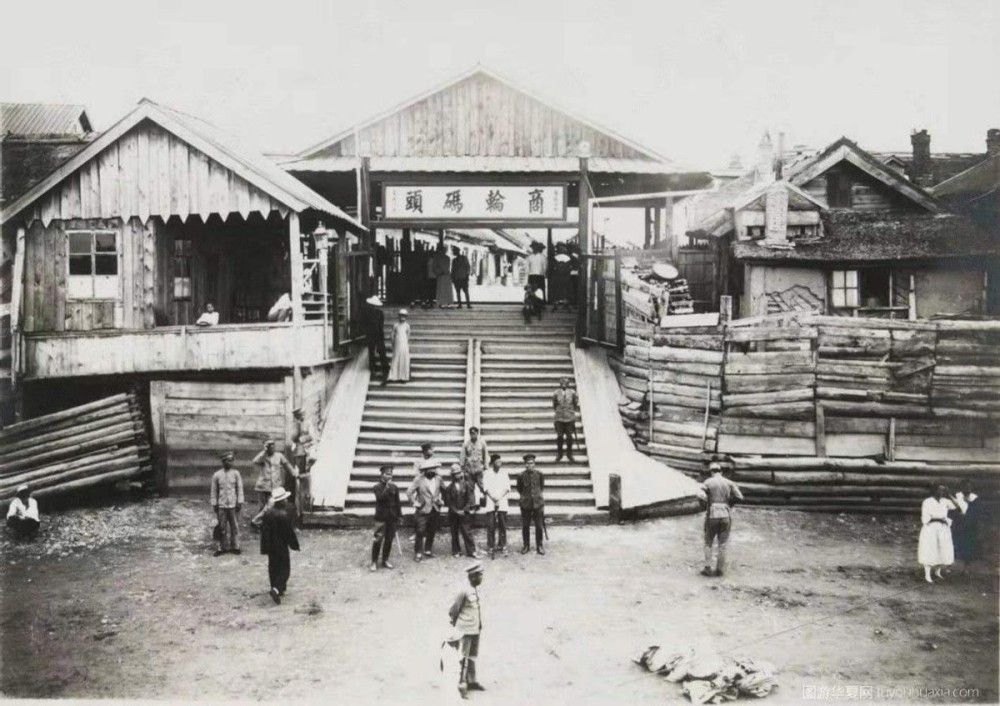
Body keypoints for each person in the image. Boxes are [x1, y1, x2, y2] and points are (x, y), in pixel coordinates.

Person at [696, 458, 744, 577]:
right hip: (725, 514)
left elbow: (700, 494)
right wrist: (729, 504)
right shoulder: (729, 482)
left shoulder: (708, 482)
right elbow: (740, 497)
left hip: (712, 513)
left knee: (708, 542)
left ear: (711, 472)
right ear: (720, 471)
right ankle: (720, 570)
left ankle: (707, 568)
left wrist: (705, 504)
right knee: (722, 544)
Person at [448, 562, 486, 699]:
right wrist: (456, 626)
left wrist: (479, 624)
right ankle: (462, 685)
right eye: (480, 575)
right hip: (465, 630)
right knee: (463, 658)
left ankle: (472, 681)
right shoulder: (463, 590)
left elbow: (476, 608)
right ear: (473, 576)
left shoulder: (474, 588)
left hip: (475, 628)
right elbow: (453, 610)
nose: (482, 578)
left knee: (472, 656)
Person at [260, 487, 300, 604]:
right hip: (281, 546)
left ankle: (275, 587)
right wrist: (294, 545)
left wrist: (265, 547)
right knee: (284, 569)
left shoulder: (267, 514)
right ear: (281, 501)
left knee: (273, 567)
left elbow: (264, 531)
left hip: (271, 546)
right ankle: (277, 589)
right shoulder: (284, 515)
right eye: (285, 499)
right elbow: (289, 533)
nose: (286, 501)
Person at [919, 484, 963, 583]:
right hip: (931, 528)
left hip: (943, 528)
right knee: (930, 549)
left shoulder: (945, 501)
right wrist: (939, 519)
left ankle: (937, 572)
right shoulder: (927, 502)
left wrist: (950, 495)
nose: (941, 493)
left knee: (942, 549)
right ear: (934, 490)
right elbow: (926, 518)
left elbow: (959, 508)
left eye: (943, 491)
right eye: (939, 490)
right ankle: (927, 574)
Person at [251, 440, 297, 529]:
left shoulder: (279, 456)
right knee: (262, 506)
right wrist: (264, 452)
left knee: (270, 506)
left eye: (273, 445)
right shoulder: (263, 456)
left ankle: (256, 521)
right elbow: (255, 461)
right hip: (263, 486)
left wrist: (294, 473)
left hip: (275, 486)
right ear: (266, 447)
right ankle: (262, 525)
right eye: (269, 446)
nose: (272, 447)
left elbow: (287, 465)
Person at [407, 459, 443, 561]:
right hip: (423, 510)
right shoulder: (419, 479)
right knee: (420, 531)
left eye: (434, 469)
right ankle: (418, 552)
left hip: (435, 509)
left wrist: (441, 500)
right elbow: (409, 492)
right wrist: (414, 502)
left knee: (432, 531)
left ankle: (428, 549)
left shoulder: (439, 479)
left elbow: (444, 490)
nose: (433, 471)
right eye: (431, 469)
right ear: (426, 470)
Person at [210, 452, 244, 556]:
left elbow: (239, 488)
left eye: (232, 460)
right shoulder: (217, 475)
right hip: (222, 505)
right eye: (229, 460)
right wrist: (214, 503)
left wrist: (240, 502)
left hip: (233, 505)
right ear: (224, 461)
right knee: (222, 527)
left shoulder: (236, 474)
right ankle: (222, 547)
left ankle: (235, 546)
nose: (231, 462)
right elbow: (214, 491)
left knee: (234, 526)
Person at [444, 464, 480, 559]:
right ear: (452, 475)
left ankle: (471, 551)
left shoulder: (467, 485)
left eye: (459, 473)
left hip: (465, 513)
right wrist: (456, 511)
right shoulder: (448, 488)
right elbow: (449, 503)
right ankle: (456, 551)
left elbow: (470, 499)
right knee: (454, 532)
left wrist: (465, 509)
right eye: (455, 474)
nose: (457, 475)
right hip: (453, 514)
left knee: (467, 532)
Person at [370, 465, 401, 571]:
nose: (390, 476)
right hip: (381, 518)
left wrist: (399, 516)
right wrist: (387, 487)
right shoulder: (376, 487)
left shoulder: (395, 487)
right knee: (378, 540)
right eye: (387, 474)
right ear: (382, 475)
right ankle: (374, 562)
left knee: (389, 540)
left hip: (392, 518)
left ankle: (385, 560)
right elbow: (381, 498)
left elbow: (398, 502)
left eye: (391, 473)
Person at [517, 453, 546, 555]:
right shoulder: (521, 476)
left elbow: (541, 487)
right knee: (525, 526)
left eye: (532, 463)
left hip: (538, 504)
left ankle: (539, 545)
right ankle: (526, 545)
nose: (530, 465)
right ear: (525, 464)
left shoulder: (539, 474)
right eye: (528, 463)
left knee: (539, 526)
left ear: (535, 464)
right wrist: (525, 498)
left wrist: (538, 498)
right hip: (526, 504)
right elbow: (519, 489)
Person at [484, 454, 511, 557]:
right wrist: (493, 498)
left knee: (502, 524)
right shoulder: (487, 474)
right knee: (491, 525)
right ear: (493, 463)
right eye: (497, 462)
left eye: (500, 461)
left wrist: (499, 498)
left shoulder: (504, 473)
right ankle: (491, 546)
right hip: (491, 502)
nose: (500, 463)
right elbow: (485, 488)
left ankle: (503, 544)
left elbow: (507, 488)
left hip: (502, 502)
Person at [953, 480, 983, 567]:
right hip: (959, 522)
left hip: (970, 522)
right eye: (965, 487)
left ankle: (967, 564)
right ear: (962, 488)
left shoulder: (974, 497)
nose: (968, 489)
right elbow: (953, 508)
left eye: (969, 487)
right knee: (958, 541)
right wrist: (958, 514)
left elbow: (977, 511)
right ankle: (957, 562)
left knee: (970, 542)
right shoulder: (957, 496)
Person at [362, 294, 389, 384]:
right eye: (372, 305)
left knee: (382, 351)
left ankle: (385, 370)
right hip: (370, 335)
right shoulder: (366, 313)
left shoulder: (380, 313)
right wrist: (367, 334)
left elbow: (381, 325)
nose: (374, 307)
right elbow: (364, 324)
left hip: (379, 335)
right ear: (370, 305)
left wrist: (381, 337)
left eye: (375, 305)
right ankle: (372, 369)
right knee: (371, 352)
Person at [459, 426, 489, 505]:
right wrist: (462, 468)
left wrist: (486, 467)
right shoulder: (466, 444)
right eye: (471, 433)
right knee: (470, 488)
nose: (473, 435)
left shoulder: (482, 443)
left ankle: (487, 501)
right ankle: (473, 504)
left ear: (477, 433)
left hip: (479, 469)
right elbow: (462, 456)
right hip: (469, 470)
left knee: (482, 486)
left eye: (474, 433)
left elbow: (485, 455)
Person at [552, 377, 578, 463]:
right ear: (560, 384)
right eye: (562, 383)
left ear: (568, 384)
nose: (564, 385)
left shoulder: (572, 392)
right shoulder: (556, 393)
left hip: (569, 419)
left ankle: (569, 454)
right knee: (559, 437)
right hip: (559, 418)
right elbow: (554, 404)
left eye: (565, 383)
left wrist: (571, 414)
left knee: (569, 437)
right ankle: (560, 454)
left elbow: (575, 404)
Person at [291, 408, 318, 477]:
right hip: (299, 451)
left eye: (301, 415)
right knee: (300, 472)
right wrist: (297, 427)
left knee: (309, 470)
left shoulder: (308, 423)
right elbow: (293, 438)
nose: (301, 417)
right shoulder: (295, 424)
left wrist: (301, 439)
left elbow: (312, 436)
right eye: (298, 416)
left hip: (308, 448)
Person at [387, 309, 411, 383]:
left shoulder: (407, 326)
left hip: (404, 344)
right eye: (401, 315)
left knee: (404, 358)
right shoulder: (395, 325)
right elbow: (392, 335)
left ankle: (403, 377)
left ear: (406, 317)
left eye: (404, 316)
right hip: (397, 344)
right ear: (399, 316)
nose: (402, 317)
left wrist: (406, 344)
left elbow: (408, 336)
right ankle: (393, 376)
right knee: (396, 358)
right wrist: (392, 343)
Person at [550, 245, 572, 311]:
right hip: (565, 276)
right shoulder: (568, 258)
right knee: (565, 289)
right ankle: (565, 303)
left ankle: (556, 303)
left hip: (557, 276)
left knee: (557, 289)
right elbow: (570, 267)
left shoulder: (554, 258)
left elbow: (552, 268)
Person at [433, 243, 454, 308]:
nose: (443, 251)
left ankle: (449, 302)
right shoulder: (436, 258)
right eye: (442, 250)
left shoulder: (447, 258)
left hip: (447, 275)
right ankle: (441, 303)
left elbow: (448, 266)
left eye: (445, 250)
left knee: (448, 289)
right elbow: (434, 267)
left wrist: (446, 272)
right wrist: (439, 272)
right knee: (441, 289)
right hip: (441, 275)